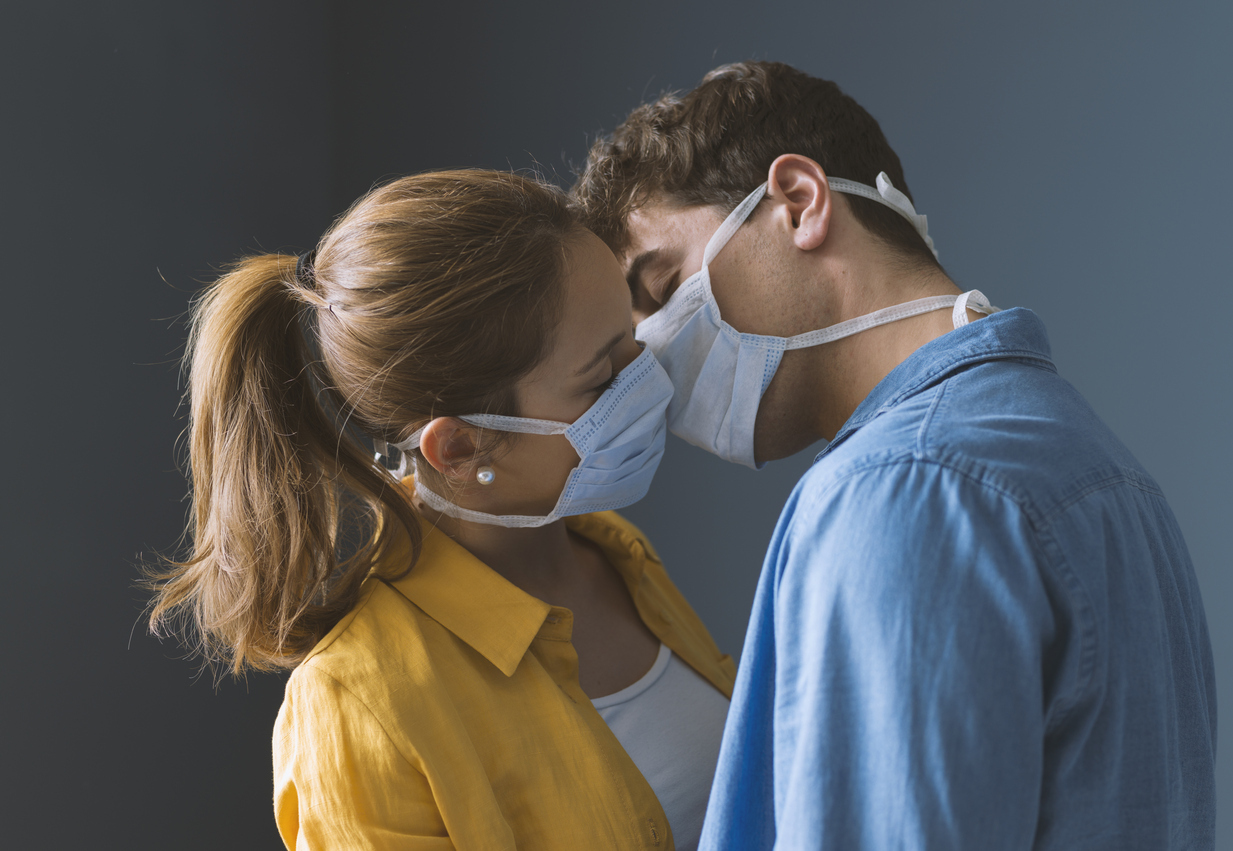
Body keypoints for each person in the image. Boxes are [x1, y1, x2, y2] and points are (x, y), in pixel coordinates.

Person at [571, 61, 1217, 849]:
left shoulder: (899, 489)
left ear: (798, 203)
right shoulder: (1081, 455)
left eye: (663, 283)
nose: (652, 352)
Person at [147, 170, 734, 850]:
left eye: (632, 340)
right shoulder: (356, 702)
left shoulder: (613, 551)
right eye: (604, 377)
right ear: (457, 447)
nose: (650, 380)